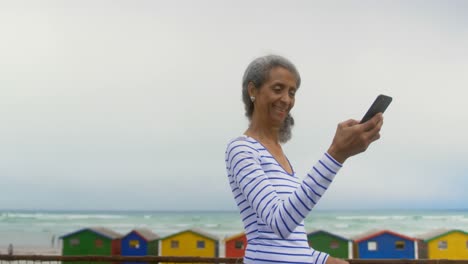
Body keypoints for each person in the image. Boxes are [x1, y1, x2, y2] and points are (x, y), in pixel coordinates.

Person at [224, 55, 383, 264]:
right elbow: (280, 222)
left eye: (292, 92)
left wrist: (326, 260)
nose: (287, 100)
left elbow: (288, 244)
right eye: (278, 89)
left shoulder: (280, 155)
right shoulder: (241, 149)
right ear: (253, 91)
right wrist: (337, 154)